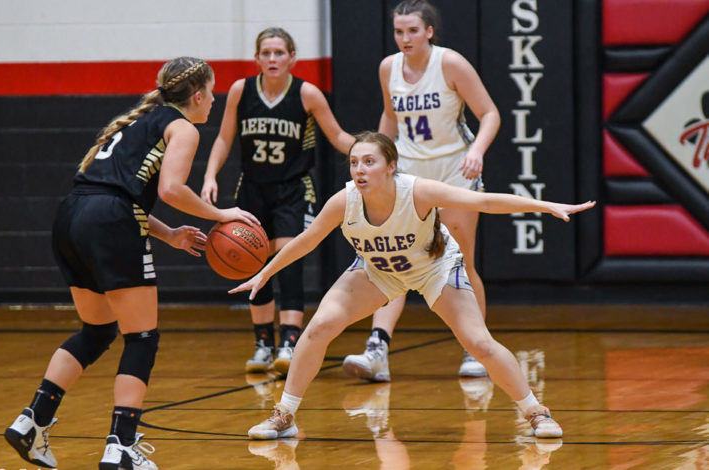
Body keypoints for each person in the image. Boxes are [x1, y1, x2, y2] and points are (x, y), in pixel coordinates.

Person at [232, 132, 595, 440]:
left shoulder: (416, 192)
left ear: (391, 166)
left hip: (434, 268)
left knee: (479, 342)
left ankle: (536, 413)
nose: (360, 169)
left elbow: (482, 201)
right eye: (355, 162)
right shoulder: (344, 201)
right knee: (318, 329)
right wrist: (264, 273)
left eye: (369, 162)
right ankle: (284, 416)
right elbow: (306, 241)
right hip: (378, 270)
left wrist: (545, 206)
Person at [4, 57, 259, 470]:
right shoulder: (183, 127)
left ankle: (33, 420)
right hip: (107, 221)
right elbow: (172, 190)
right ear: (197, 95)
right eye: (212, 92)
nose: (214, 99)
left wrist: (171, 235)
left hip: (72, 216)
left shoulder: (136, 121)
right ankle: (121, 445)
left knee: (98, 330)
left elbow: (117, 196)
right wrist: (221, 214)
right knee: (141, 337)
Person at [342, 0, 500, 382]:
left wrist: (477, 151)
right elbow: (390, 118)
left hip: (454, 170)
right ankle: (377, 349)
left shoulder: (451, 64)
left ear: (429, 31)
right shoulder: (388, 68)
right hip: (409, 172)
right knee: (392, 260)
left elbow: (490, 113)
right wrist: (377, 155)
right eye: (399, 31)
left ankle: (474, 347)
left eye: (412, 30)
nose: (405, 38)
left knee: (462, 260)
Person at [201, 27, 354, 376]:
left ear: (292, 58)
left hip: (293, 189)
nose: (272, 59)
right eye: (266, 53)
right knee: (251, 262)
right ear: (257, 58)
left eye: (279, 53)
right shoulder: (241, 91)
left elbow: (338, 136)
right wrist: (210, 175)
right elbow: (224, 139)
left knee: (287, 259)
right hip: (253, 189)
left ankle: (289, 340)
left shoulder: (308, 94)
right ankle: (262, 343)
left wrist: (371, 148)